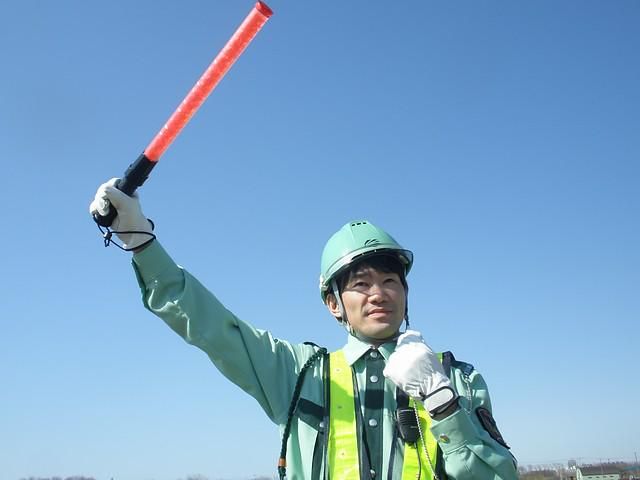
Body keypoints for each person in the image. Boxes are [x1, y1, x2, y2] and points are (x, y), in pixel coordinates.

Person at [90, 178, 519, 480]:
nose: (378, 294)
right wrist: (140, 240)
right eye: (361, 284)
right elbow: (210, 325)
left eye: (390, 281)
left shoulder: (458, 378)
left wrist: (442, 402)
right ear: (334, 304)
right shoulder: (297, 372)